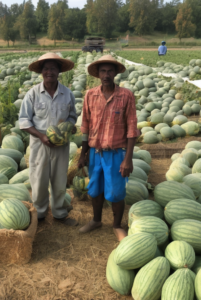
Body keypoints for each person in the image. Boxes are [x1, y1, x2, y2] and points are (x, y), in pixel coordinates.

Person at [77, 55, 139, 241]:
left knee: (116, 191)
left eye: (110, 71)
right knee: (95, 189)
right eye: (103, 71)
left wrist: (128, 159)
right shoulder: (90, 95)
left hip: (116, 153)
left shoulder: (126, 95)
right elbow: (85, 127)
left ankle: (117, 225)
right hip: (95, 153)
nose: (106, 74)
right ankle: (96, 220)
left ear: (115, 73)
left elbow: (132, 129)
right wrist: (83, 154)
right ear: (98, 74)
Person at [19, 53, 78, 226]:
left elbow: (73, 116)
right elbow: (24, 121)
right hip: (39, 142)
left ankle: (59, 213)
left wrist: (70, 126)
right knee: (38, 180)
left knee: (60, 180)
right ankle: (40, 214)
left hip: (61, 143)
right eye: (46, 68)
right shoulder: (33, 94)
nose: (49, 71)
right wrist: (41, 136)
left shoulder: (67, 94)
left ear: (59, 71)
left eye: (53, 68)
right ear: (41, 72)